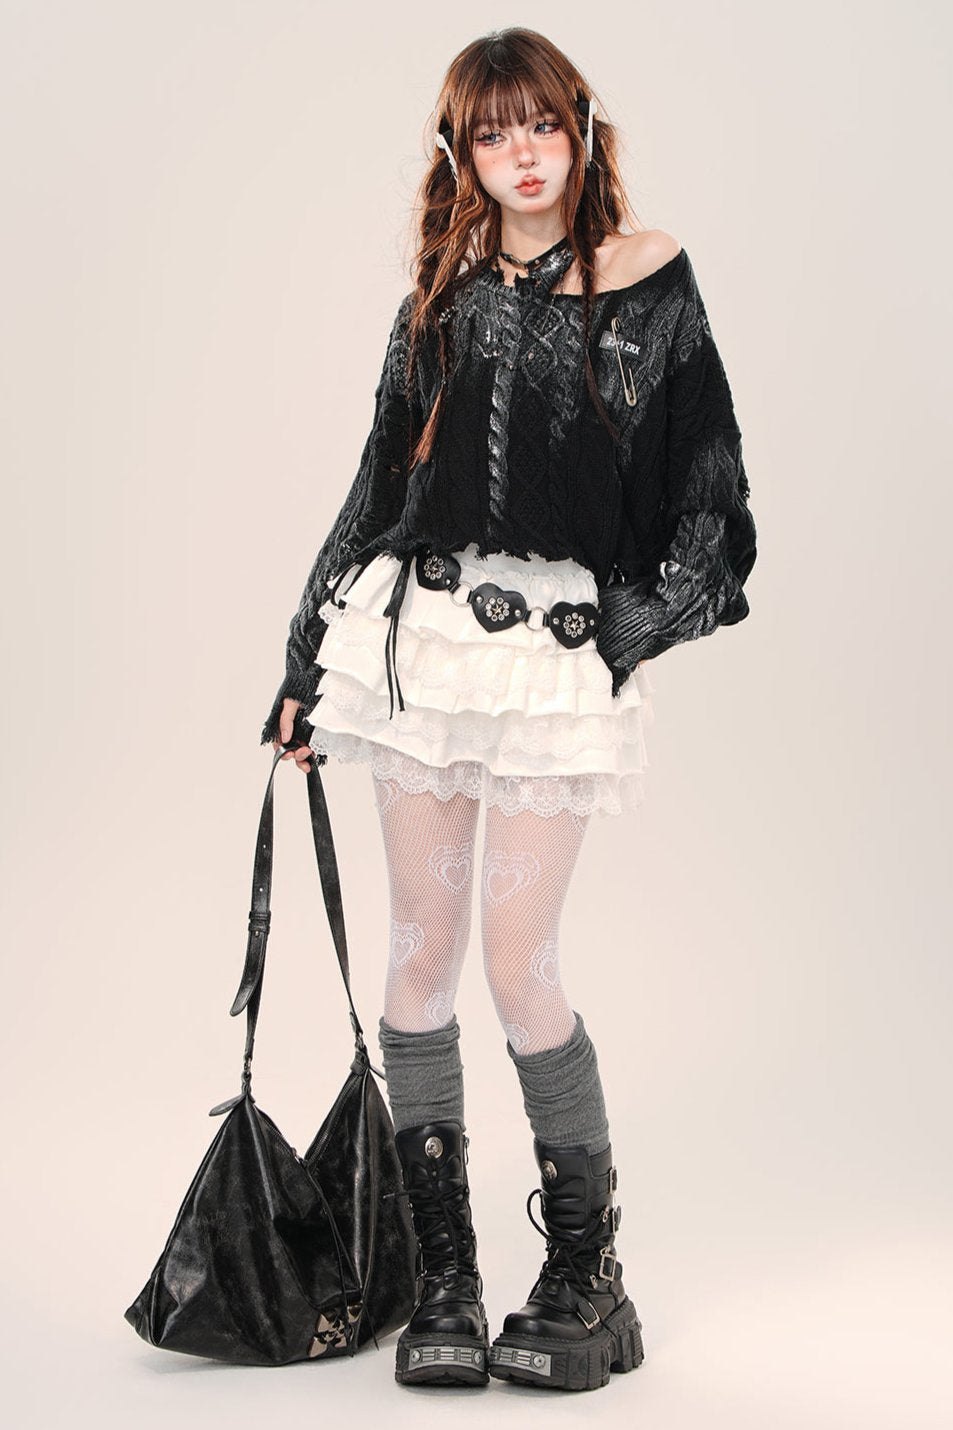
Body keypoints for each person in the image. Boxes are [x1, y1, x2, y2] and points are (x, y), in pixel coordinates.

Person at [260, 27, 757, 1394]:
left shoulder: (650, 280)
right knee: (417, 953)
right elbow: (377, 483)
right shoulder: (443, 292)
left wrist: (628, 631)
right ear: (462, 156)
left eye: (541, 125)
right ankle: (445, 1274)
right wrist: (304, 658)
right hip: (420, 643)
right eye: (493, 134)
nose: (522, 154)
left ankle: (586, 1271)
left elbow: (712, 501)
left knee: (516, 962)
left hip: (548, 661)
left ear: (579, 131)